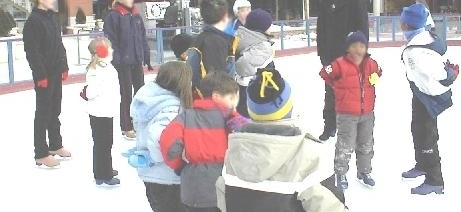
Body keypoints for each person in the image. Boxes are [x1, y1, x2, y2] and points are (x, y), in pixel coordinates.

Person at [216, 68, 346, 212]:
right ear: (288, 106)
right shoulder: (308, 155)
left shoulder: (233, 152)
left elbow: (223, 202)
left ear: (250, 109)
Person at [160, 71, 247, 212]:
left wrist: (181, 167)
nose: (235, 102)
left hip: (194, 190)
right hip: (226, 185)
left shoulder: (186, 117)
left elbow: (168, 145)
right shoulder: (232, 119)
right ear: (216, 97)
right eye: (231, 97)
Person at [400, 3, 458, 195]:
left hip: (429, 97)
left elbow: (442, 74)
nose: (401, 27)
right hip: (420, 93)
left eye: (403, 24)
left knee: (427, 137)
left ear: (409, 26)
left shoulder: (418, 49)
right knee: (417, 130)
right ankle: (422, 165)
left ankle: (435, 180)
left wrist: (450, 73)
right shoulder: (421, 39)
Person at [319, 31, 382, 190]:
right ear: (348, 48)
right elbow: (324, 73)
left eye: (361, 46)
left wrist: (374, 79)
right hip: (347, 114)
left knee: (366, 143)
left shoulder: (371, 63)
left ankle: (364, 171)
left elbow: (379, 72)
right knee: (345, 144)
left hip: (367, 113)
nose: (358, 49)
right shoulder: (340, 64)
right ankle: (340, 173)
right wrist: (337, 87)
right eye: (354, 46)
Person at [130, 61, 193, 212]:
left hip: (153, 175)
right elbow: (158, 137)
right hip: (166, 177)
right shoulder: (170, 109)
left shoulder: (151, 99)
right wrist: (175, 162)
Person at [317, 0, 369, 141]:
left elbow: (362, 29)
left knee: (349, 94)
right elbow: (320, 29)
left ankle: (350, 129)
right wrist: (322, 54)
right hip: (330, 57)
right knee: (329, 92)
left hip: (349, 57)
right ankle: (329, 126)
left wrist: (359, 55)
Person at [23, 0, 70, 168]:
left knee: (55, 110)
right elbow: (32, 52)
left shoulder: (52, 17)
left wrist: (64, 66)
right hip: (44, 75)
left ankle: (55, 145)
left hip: (56, 71)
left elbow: (59, 44)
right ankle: (41, 153)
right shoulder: (33, 22)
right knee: (43, 112)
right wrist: (40, 75)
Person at [104, 0, 151, 140]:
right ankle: (126, 126)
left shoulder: (135, 15)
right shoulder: (114, 16)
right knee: (126, 95)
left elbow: (142, 36)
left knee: (140, 92)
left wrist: (145, 54)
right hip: (123, 62)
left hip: (136, 60)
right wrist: (117, 59)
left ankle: (138, 121)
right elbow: (111, 40)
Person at [84, 37, 120, 186]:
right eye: (109, 48)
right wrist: (88, 91)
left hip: (106, 111)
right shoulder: (96, 71)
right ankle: (102, 174)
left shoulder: (106, 67)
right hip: (99, 113)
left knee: (106, 143)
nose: (112, 50)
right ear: (102, 51)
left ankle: (105, 168)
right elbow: (91, 92)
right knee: (102, 144)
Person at [235, 8, 275, 117]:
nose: (271, 27)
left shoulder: (241, 38)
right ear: (262, 28)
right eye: (269, 25)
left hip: (242, 95)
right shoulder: (263, 46)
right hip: (255, 96)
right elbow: (242, 65)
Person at [193, 0, 232, 73]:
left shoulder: (201, 37)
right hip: (215, 84)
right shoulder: (216, 41)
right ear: (224, 17)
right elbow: (217, 77)